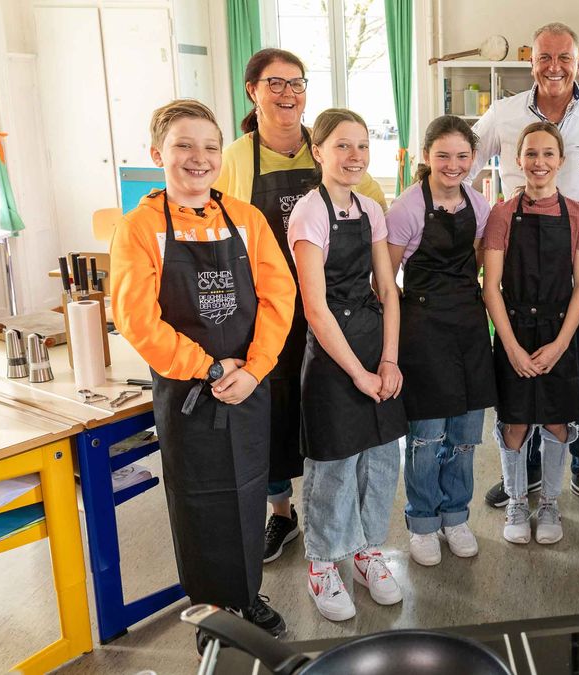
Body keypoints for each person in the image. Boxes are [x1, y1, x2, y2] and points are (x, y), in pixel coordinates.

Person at [110, 99, 295, 647]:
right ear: (156, 154)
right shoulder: (139, 228)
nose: (200, 157)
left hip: (248, 385)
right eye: (183, 146)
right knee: (199, 502)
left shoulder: (246, 218)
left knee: (246, 493)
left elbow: (279, 297)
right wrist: (210, 366)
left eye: (211, 146)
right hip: (190, 390)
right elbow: (137, 322)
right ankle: (212, 612)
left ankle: (246, 595)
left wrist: (255, 368)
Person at [214, 48, 389, 563]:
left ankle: (342, 532)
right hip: (264, 314)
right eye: (276, 84)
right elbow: (218, 230)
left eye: (297, 83)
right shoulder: (238, 158)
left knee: (326, 423)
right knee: (271, 415)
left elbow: (374, 206)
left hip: (331, 311)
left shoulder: (329, 147)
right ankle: (283, 514)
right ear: (253, 91)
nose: (288, 94)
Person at [472, 21, 579, 515]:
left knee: (578, 379)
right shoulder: (502, 114)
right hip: (518, 270)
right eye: (545, 57)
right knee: (519, 377)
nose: (554, 67)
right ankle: (526, 472)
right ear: (531, 61)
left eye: (564, 57)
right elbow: (464, 161)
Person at [289, 108, 408, 621]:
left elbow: (388, 288)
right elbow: (314, 307)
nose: (355, 155)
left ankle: (365, 553)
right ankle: (322, 564)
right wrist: (358, 373)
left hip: (371, 340)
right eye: (342, 145)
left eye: (362, 145)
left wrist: (388, 359)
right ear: (318, 151)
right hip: (333, 353)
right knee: (334, 465)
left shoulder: (371, 207)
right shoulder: (308, 213)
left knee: (381, 460)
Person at [386, 115, 497, 566]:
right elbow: (384, 277)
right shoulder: (407, 208)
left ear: (474, 158)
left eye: (462, 156)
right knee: (427, 437)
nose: (453, 165)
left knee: (467, 434)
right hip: (423, 329)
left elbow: (477, 262)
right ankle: (424, 521)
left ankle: (456, 514)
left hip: (469, 326)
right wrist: (405, 324)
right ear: (426, 157)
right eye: (443, 155)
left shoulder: (480, 204)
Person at [482, 121, 579, 545]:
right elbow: (490, 286)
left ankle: (549, 503)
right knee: (514, 422)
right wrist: (510, 346)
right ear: (518, 160)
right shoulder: (501, 215)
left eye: (548, 153)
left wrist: (561, 344)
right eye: (531, 153)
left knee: (556, 422)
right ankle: (516, 500)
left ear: (561, 160)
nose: (540, 162)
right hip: (513, 328)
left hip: (558, 330)